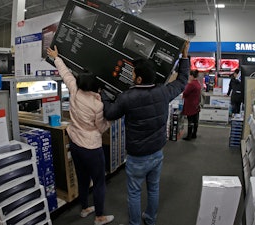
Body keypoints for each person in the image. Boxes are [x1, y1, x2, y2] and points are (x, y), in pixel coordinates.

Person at [101, 41, 190, 225]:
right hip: (157, 152)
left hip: (137, 156)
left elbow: (109, 113)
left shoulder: (127, 98)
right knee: (153, 188)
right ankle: (150, 219)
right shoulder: (163, 92)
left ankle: (135, 223)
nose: (131, 74)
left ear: (139, 79)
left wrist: (103, 94)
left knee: (134, 192)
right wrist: (184, 56)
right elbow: (182, 81)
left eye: (133, 72)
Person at [47, 46, 114, 225]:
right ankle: (99, 217)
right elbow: (100, 128)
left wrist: (56, 57)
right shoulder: (97, 105)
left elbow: (65, 74)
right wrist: (110, 122)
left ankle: (84, 208)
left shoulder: (74, 90)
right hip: (92, 147)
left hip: (75, 143)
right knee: (99, 182)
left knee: (82, 179)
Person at [182, 69, 202, 140]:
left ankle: (189, 136)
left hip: (190, 105)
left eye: (190, 75)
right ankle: (194, 134)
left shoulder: (191, 84)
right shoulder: (198, 83)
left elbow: (185, 93)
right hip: (196, 105)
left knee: (190, 121)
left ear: (192, 76)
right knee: (195, 121)